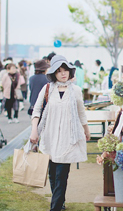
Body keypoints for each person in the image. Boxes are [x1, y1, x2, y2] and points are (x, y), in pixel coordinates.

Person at [29, 55, 91, 211]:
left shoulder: (76, 90)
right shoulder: (48, 89)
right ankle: (60, 202)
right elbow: (36, 110)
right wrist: (34, 130)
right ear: (54, 73)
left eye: (66, 70)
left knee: (61, 176)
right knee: (53, 173)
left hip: (67, 138)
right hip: (50, 136)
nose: (63, 74)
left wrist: (86, 131)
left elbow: (81, 112)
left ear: (70, 72)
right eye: (59, 71)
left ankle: (55, 207)